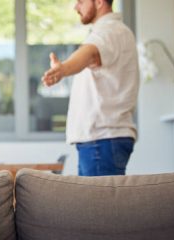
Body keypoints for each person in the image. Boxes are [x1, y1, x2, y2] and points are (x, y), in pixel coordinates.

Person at [41, 0, 139, 176]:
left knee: (98, 204)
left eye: (80, 1)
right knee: (97, 203)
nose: (76, 7)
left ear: (99, 2)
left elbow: (89, 53)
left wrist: (63, 69)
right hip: (102, 140)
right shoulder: (114, 31)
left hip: (101, 141)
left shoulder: (110, 31)